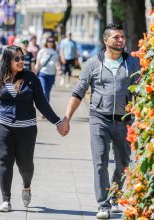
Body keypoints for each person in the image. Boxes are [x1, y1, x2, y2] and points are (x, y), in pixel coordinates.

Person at [59, 23, 140, 219]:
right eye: (116, 37)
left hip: (124, 120)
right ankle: (103, 204)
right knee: (100, 161)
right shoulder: (93, 63)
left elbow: (141, 90)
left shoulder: (132, 63)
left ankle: (114, 196)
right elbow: (78, 92)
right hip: (99, 119)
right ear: (106, 41)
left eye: (122, 36)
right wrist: (66, 118)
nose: (121, 40)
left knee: (123, 163)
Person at [0, 45, 64, 212]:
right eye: (16, 58)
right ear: (7, 60)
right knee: (4, 161)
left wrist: (57, 122)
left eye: (22, 58)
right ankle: (6, 200)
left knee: (25, 164)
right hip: (3, 126)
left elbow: (42, 103)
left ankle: (26, 185)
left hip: (27, 128)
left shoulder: (31, 78)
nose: (21, 61)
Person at [35, 36, 59, 102]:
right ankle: (45, 108)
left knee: (47, 92)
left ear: (54, 43)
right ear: (46, 42)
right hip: (42, 74)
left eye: (52, 41)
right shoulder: (42, 51)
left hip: (51, 75)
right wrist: (34, 73)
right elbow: (37, 64)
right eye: (49, 41)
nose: (50, 43)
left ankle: (46, 107)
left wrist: (59, 69)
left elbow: (57, 63)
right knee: (44, 91)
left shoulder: (55, 52)